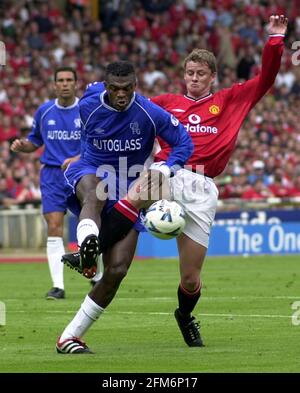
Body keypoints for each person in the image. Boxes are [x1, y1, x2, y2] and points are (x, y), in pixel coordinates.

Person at [148, 14, 288, 347]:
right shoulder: (166, 103)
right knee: (136, 186)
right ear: (183, 75)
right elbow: (129, 116)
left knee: (191, 279)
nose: (193, 79)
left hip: (202, 187)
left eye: (200, 74)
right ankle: (90, 243)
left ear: (212, 76)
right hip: (167, 175)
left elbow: (266, 78)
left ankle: (184, 315)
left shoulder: (229, 100)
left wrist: (275, 41)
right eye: (189, 73)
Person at [55, 60, 193, 353]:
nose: (121, 94)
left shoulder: (149, 113)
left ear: (135, 86)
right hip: (90, 170)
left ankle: (69, 337)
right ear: (106, 87)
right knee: (94, 195)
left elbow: (184, 142)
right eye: (115, 88)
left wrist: (166, 169)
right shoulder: (90, 101)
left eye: (127, 89)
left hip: (129, 190)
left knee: (117, 269)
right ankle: (88, 244)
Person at [10, 66, 83, 300]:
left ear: (75, 83)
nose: (64, 84)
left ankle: (95, 274)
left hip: (83, 172)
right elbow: (35, 141)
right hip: (52, 174)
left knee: (89, 223)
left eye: (68, 80)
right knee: (54, 226)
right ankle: (58, 286)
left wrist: (79, 159)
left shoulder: (86, 110)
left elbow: (96, 142)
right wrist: (24, 146)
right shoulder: (44, 111)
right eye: (60, 80)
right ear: (54, 85)